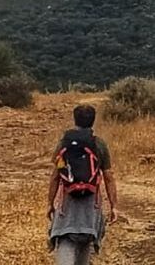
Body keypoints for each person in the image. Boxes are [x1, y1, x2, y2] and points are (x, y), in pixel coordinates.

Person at [47, 105, 118, 265]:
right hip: (91, 207)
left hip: (67, 206)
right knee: (85, 242)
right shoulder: (99, 144)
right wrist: (114, 206)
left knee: (65, 240)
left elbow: (55, 176)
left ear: (74, 119)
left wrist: (50, 203)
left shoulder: (64, 144)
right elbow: (108, 177)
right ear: (93, 121)